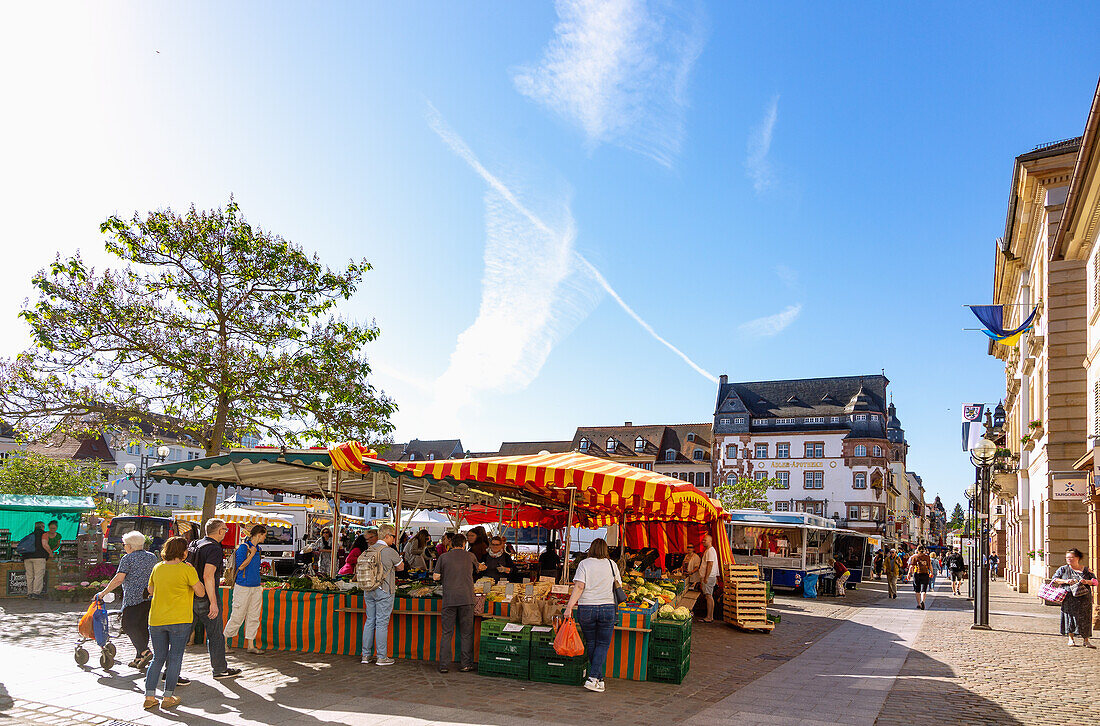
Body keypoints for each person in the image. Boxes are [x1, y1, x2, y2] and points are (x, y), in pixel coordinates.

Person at [144, 536, 205, 711]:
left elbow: (151, 590)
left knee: (158, 658)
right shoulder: (187, 569)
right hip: (180, 620)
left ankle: (149, 697)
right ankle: (168, 696)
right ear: (183, 552)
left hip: (156, 619)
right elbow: (200, 592)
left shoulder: (158, 568)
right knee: (175, 657)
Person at [564, 538, 621, 693]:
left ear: (591, 548)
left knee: (591, 643)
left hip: (587, 608)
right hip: (607, 608)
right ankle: (595, 678)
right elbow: (618, 585)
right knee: (602, 644)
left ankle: (597, 679)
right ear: (605, 550)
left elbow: (579, 586)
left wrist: (569, 607)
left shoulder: (584, 564)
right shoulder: (612, 564)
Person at [187, 518, 241, 680]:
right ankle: (219, 669)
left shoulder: (194, 544)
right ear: (219, 531)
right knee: (215, 634)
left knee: (182, 635)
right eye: (225, 529)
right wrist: (213, 602)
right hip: (206, 594)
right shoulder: (214, 549)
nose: (226, 532)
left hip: (191, 593)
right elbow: (208, 575)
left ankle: (169, 670)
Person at [97, 530, 158, 669]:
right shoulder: (152, 557)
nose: (124, 547)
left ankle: (144, 651)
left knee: (128, 625)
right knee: (142, 627)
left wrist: (104, 592)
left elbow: (119, 579)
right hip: (148, 597)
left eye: (124, 544)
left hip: (133, 598)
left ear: (130, 546)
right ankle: (138, 658)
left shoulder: (128, 558)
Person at [433, 532, 485, 673]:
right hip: (467, 599)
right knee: (467, 633)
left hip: (449, 599)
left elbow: (436, 577)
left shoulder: (443, 557)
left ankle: (444, 665)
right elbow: (479, 568)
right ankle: (466, 664)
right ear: (464, 544)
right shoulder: (470, 556)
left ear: (451, 543)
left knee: (447, 632)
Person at [358, 523, 404, 666]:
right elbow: (401, 567)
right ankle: (381, 657)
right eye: (393, 537)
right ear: (387, 536)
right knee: (382, 623)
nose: (394, 540)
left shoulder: (369, 549)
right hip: (384, 589)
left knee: (369, 621)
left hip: (368, 589)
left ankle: (365, 655)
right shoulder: (389, 551)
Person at [225, 524, 267, 655]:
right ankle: (224, 642)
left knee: (254, 616)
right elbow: (241, 566)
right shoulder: (244, 548)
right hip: (243, 586)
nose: (265, 538)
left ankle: (251, 645)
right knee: (237, 615)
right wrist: (252, 554)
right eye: (264, 535)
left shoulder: (258, 548)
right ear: (259, 534)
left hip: (255, 586)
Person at [1050, 547, 1098, 648]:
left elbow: (1095, 582)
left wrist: (1086, 582)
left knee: (1085, 618)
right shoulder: (1063, 569)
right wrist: (1065, 581)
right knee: (1070, 617)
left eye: (1071, 557)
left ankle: (1086, 640)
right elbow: (1054, 580)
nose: (1069, 559)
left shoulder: (1086, 570)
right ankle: (1071, 638)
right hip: (1069, 598)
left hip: (1084, 598)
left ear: (1077, 558)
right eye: (1067, 558)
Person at [21, 522, 50, 599]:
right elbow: (45, 544)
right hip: (39, 557)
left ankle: (29, 593)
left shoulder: (30, 535)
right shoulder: (44, 534)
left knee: (29, 575)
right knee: (38, 575)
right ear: (43, 527)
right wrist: (50, 553)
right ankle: (36, 593)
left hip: (27, 557)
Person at [698, 533, 719, 622]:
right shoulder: (709, 550)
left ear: (710, 541)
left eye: (705, 540)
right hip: (709, 576)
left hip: (708, 577)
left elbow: (710, 564)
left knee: (708, 596)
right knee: (708, 596)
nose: (703, 541)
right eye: (703, 540)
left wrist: (706, 577)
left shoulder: (710, 550)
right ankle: (709, 616)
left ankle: (709, 617)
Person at [907, 545, 933, 610]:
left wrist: (909, 574)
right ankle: (923, 601)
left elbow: (911, 567)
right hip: (925, 573)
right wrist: (931, 573)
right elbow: (930, 566)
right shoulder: (927, 557)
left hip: (917, 574)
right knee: (924, 590)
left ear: (917, 550)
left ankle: (919, 604)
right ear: (924, 550)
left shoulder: (915, 557)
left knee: (917, 590)